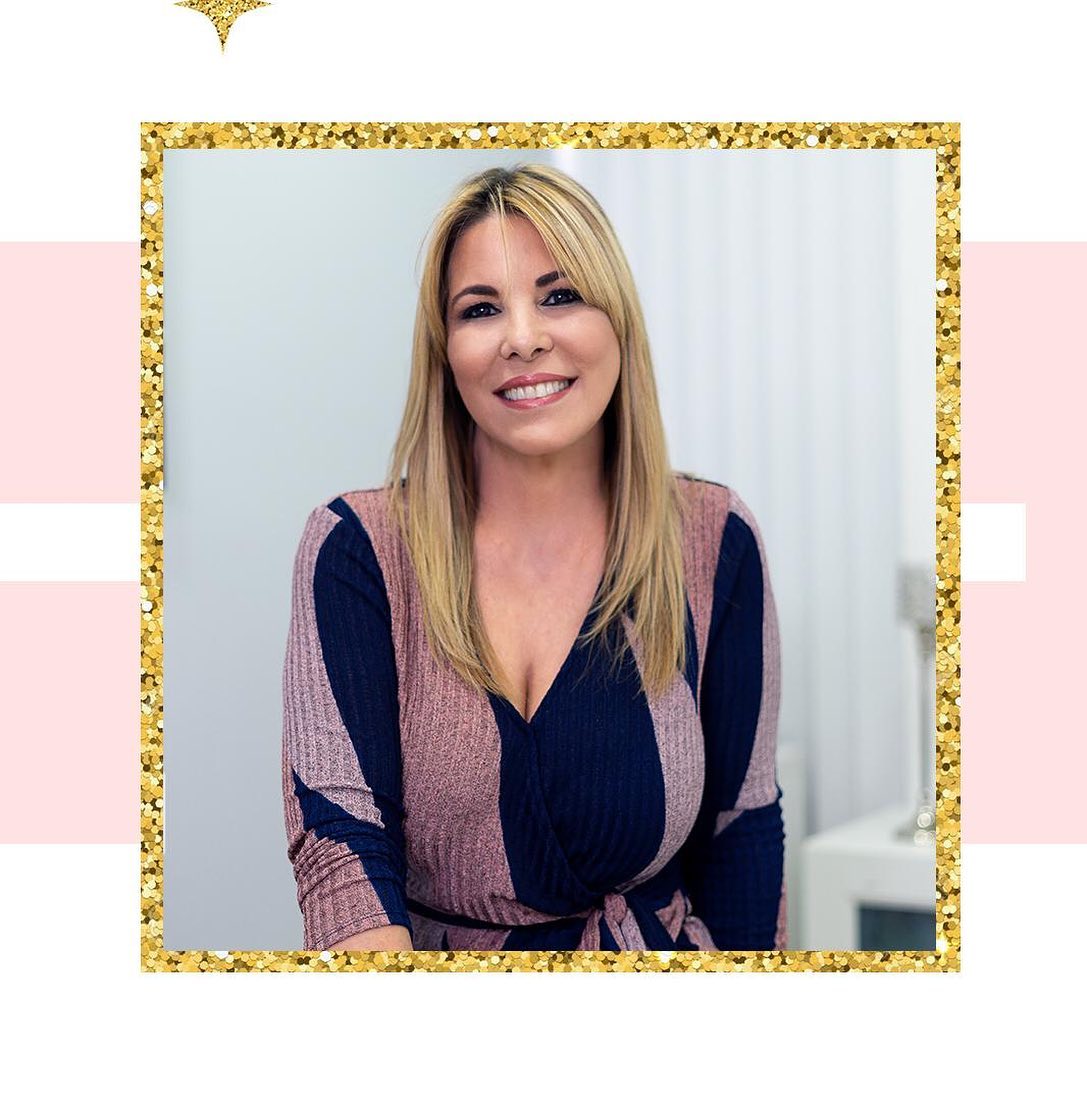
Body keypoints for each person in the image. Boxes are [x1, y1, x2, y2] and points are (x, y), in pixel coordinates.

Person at [281, 163, 786, 952]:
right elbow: (341, 847)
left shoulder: (712, 536)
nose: (521, 337)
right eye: (480, 308)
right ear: (445, 351)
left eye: (560, 295)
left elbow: (740, 831)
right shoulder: (358, 549)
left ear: (617, 320)